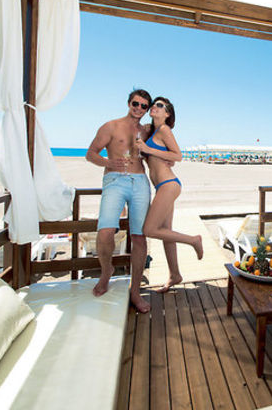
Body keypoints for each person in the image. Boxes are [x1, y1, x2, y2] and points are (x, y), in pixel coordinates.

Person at [85, 89, 153, 312]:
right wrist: (108, 163)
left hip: (140, 182)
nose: (139, 108)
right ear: (129, 103)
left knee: (139, 237)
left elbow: (164, 137)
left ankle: (135, 291)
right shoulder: (111, 126)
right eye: (136, 103)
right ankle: (107, 271)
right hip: (115, 180)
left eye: (144, 106)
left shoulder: (146, 130)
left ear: (147, 109)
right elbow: (90, 153)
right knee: (105, 232)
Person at [137, 96, 203, 293]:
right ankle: (175, 274)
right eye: (154, 104)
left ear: (167, 113)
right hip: (162, 186)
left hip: (168, 185)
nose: (154, 107)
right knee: (166, 231)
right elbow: (165, 157)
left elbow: (178, 156)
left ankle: (194, 240)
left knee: (149, 229)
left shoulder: (165, 130)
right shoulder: (152, 132)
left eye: (160, 105)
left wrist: (148, 149)